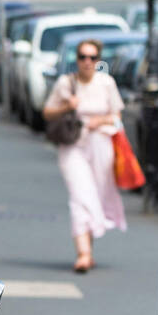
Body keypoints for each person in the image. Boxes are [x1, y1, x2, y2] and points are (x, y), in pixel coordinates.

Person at [43, 39, 126, 273]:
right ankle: (83, 253)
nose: (87, 62)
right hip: (73, 145)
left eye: (91, 57)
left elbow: (117, 116)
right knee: (80, 195)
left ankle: (88, 248)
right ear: (77, 59)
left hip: (100, 143)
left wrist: (98, 121)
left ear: (98, 60)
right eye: (82, 57)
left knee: (96, 194)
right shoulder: (65, 83)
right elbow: (47, 112)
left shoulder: (107, 83)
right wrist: (67, 106)